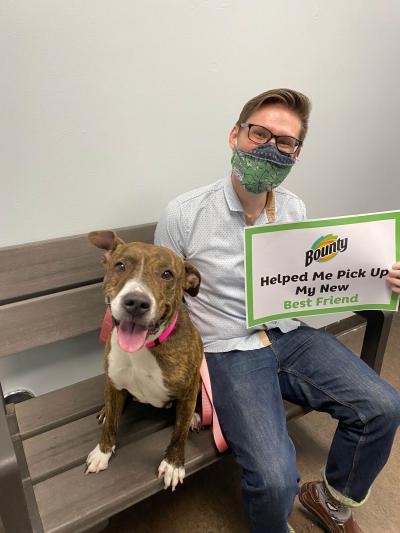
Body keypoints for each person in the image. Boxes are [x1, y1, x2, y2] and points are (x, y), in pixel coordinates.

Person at [154, 88, 400, 533]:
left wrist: (378, 278)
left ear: (296, 153)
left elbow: (313, 274)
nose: (270, 147)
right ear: (235, 135)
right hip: (228, 349)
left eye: (284, 141)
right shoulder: (184, 214)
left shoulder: (294, 207)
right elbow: (162, 304)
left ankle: (329, 500)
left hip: (289, 333)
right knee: (273, 479)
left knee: (383, 406)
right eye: (259, 133)